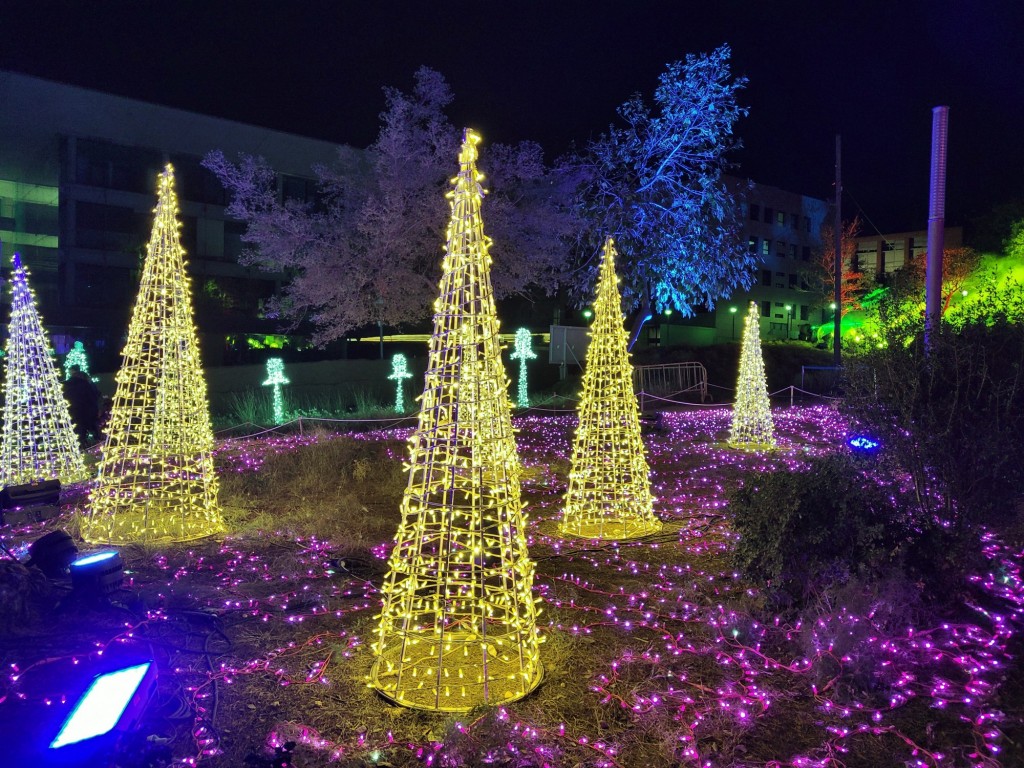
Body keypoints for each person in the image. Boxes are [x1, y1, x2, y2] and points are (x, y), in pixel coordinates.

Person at [63, 365, 102, 447]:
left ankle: (80, 443)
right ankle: (92, 441)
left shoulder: (68, 384)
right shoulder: (87, 384)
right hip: (87, 409)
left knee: (78, 427)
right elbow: (94, 395)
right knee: (88, 426)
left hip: (73, 409)